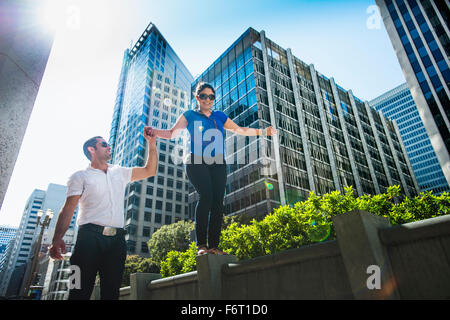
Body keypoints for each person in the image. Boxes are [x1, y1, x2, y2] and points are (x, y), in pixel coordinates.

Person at [148, 82, 277, 256]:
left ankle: (214, 246)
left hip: (218, 163)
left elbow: (241, 130)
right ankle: (201, 245)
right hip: (196, 161)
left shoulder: (220, 116)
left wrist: (263, 132)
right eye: (203, 96)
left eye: (211, 97)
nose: (207, 99)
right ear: (197, 97)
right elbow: (172, 133)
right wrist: (154, 132)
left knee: (218, 203)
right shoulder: (190, 115)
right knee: (206, 196)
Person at [49, 129, 157, 300]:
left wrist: (152, 144)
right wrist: (57, 238)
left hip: (117, 241)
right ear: (92, 150)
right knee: (78, 290)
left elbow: (149, 171)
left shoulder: (119, 171)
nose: (109, 147)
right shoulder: (80, 176)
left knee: (111, 292)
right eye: (104, 144)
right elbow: (69, 207)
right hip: (87, 239)